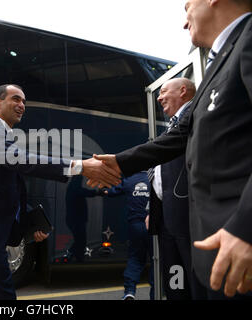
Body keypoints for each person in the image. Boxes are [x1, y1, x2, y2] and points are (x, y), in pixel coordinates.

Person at [89, 0, 252, 299]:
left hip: (239, 250)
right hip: (214, 251)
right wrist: (119, 162)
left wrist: (246, 227)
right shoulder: (218, 64)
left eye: (186, 6)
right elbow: (177, 138)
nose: (185, 22)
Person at [0, 84, 119, 300]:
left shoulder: (3, 134)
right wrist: (80, 166)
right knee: (1, 295)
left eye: (23, 101)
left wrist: (29, 224)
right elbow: (22, 160)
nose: (21, 105)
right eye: (15, 99)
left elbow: (6, 189)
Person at [147, 78, 197, 300]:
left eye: (164, 91)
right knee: (175, 279)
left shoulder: (195, 118)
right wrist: (153, 209)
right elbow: (161, 175)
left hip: (187, 219)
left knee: (193, 277)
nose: (158, 97)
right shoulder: (171, 127)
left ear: (183, 91)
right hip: (167, 217)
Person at [104, 172, 154, 300]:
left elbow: (110, 192)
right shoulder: (154, 177)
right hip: (153, 226)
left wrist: (102, 190)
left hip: (135, 226)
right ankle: (155, 293)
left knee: (135, 258)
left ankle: (129, 291)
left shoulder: (130, 179)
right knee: (156, 260)